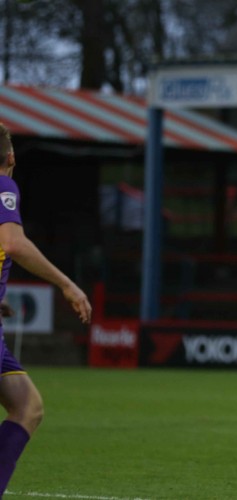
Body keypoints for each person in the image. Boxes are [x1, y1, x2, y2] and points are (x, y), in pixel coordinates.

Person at [0, 123, 92, 496]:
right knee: (26, 407)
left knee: (28, 406)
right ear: (11, 158)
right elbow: (13, 243)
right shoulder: (4, 185)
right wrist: (66, 283)